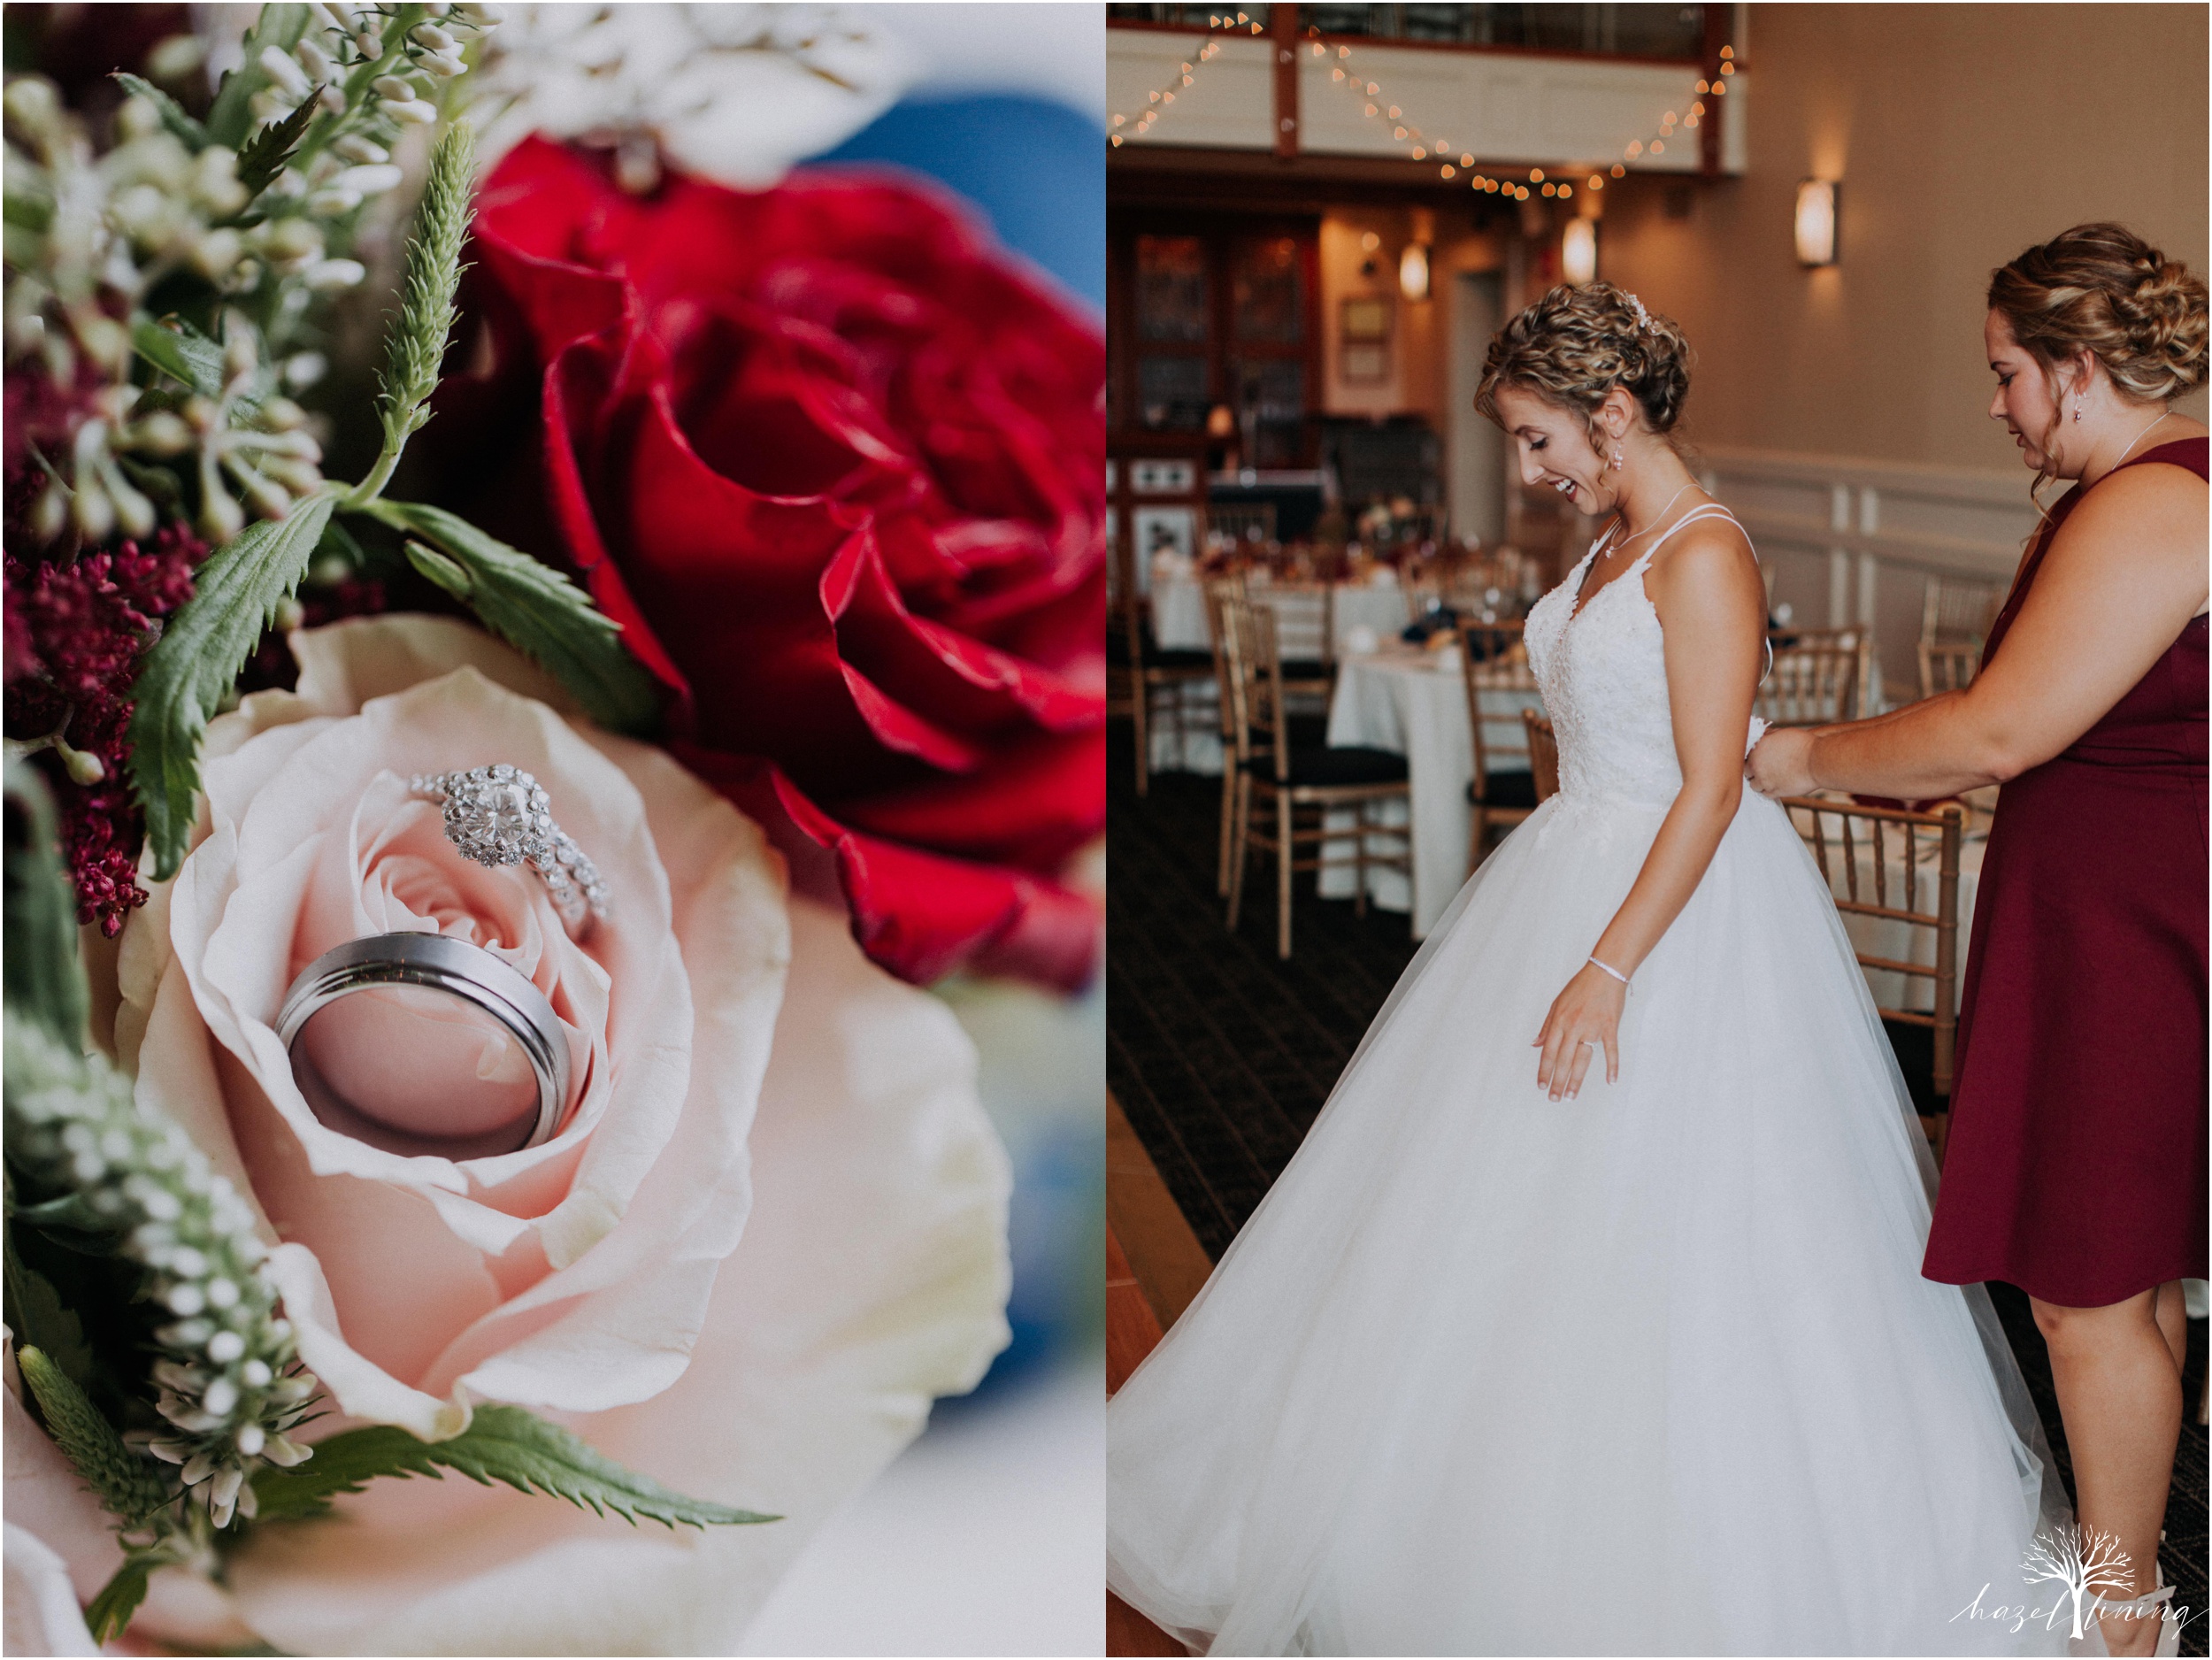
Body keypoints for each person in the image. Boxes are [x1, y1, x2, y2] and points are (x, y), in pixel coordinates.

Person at [1108, 282, 2074, 1656]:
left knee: (1692, 1240)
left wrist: (1607, 968)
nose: (1529, 471)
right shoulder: (1616, 542)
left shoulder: (1705, 554)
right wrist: (1558, 894)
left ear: (1612, 415)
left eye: (1537, 438)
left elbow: (1709, 792)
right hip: (1570, 880)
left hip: (1679, 921)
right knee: (1484, 1218)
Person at [1748, 222, 2207, 1659]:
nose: (1997, 403)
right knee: (2120, 1280)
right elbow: (2041, 721)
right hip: (2113, 917)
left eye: (2010, 373)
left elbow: (2007, 722)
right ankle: (2126, 1580)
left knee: (2081, 1292)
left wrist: (1799, 758)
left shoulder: (2156, 501)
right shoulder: (2144, 495)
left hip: (2128, 939)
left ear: (2078, 370)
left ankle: (2119, 1615)